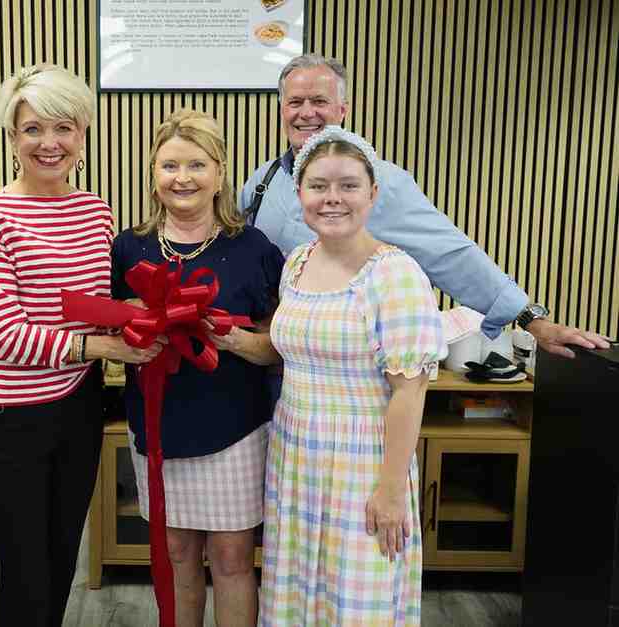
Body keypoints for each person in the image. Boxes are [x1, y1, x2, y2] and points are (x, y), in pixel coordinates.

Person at [0, 63, 162, 627]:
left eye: (64, 128)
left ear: (82, 133)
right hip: (11, 420)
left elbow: (95, 310)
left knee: (60, 563)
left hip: (77, 408)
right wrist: (105, 349)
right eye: (33, 130)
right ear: (11, 136)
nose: (49, 144)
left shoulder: (95, 210)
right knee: (24, 576)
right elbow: (3, 334)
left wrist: (139, 319)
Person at [240, 53, 610, 358]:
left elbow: (450, 253)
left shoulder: (382, 183)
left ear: (342, 109)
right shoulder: (261, 182)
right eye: (295, 102)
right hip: (270, 368)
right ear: (282, 110)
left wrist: (531, 319)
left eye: (319, 101)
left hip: (353, 369)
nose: (307, 113)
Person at [260, 126, 447, 625]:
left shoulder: (395, 274)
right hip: (296, 454)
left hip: (363, 462)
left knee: (356, 599)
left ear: (373, 194)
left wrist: (389, 491)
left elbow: (410, 393)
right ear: (299, 193)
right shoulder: (296, 262)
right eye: (318, 186)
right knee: (296, 593)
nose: (332, 199)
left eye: (348, 185)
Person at [111, 109, 284, 627]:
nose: (182, 178)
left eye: (196, 164)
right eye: (169, 166)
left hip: (233, 429)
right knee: (178, 557)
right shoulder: (130, 246)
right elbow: (118, 329)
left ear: (220, 171)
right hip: (160, 427)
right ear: (153, 173)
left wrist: (235, 341)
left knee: (232, 560)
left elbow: (279, 345)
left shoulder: (252, 248)